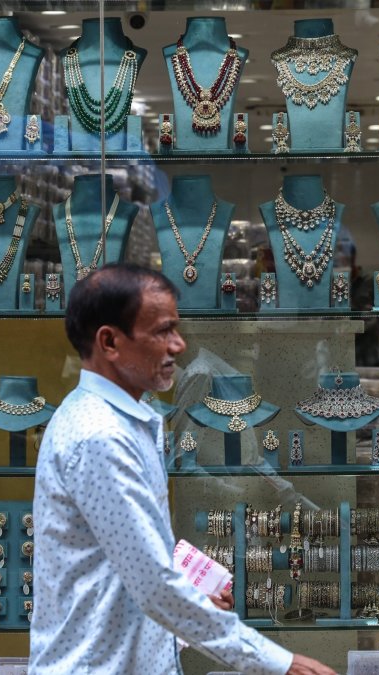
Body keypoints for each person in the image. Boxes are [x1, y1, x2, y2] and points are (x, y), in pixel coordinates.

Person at [30, 263, 337, 675]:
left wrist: (187, 607)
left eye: (176, 329)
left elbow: (125, 577)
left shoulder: (128, 420)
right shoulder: (100, 437)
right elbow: (154, 584)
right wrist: (279, 663)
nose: (178, 346)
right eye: (162, 331)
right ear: (110, 342)